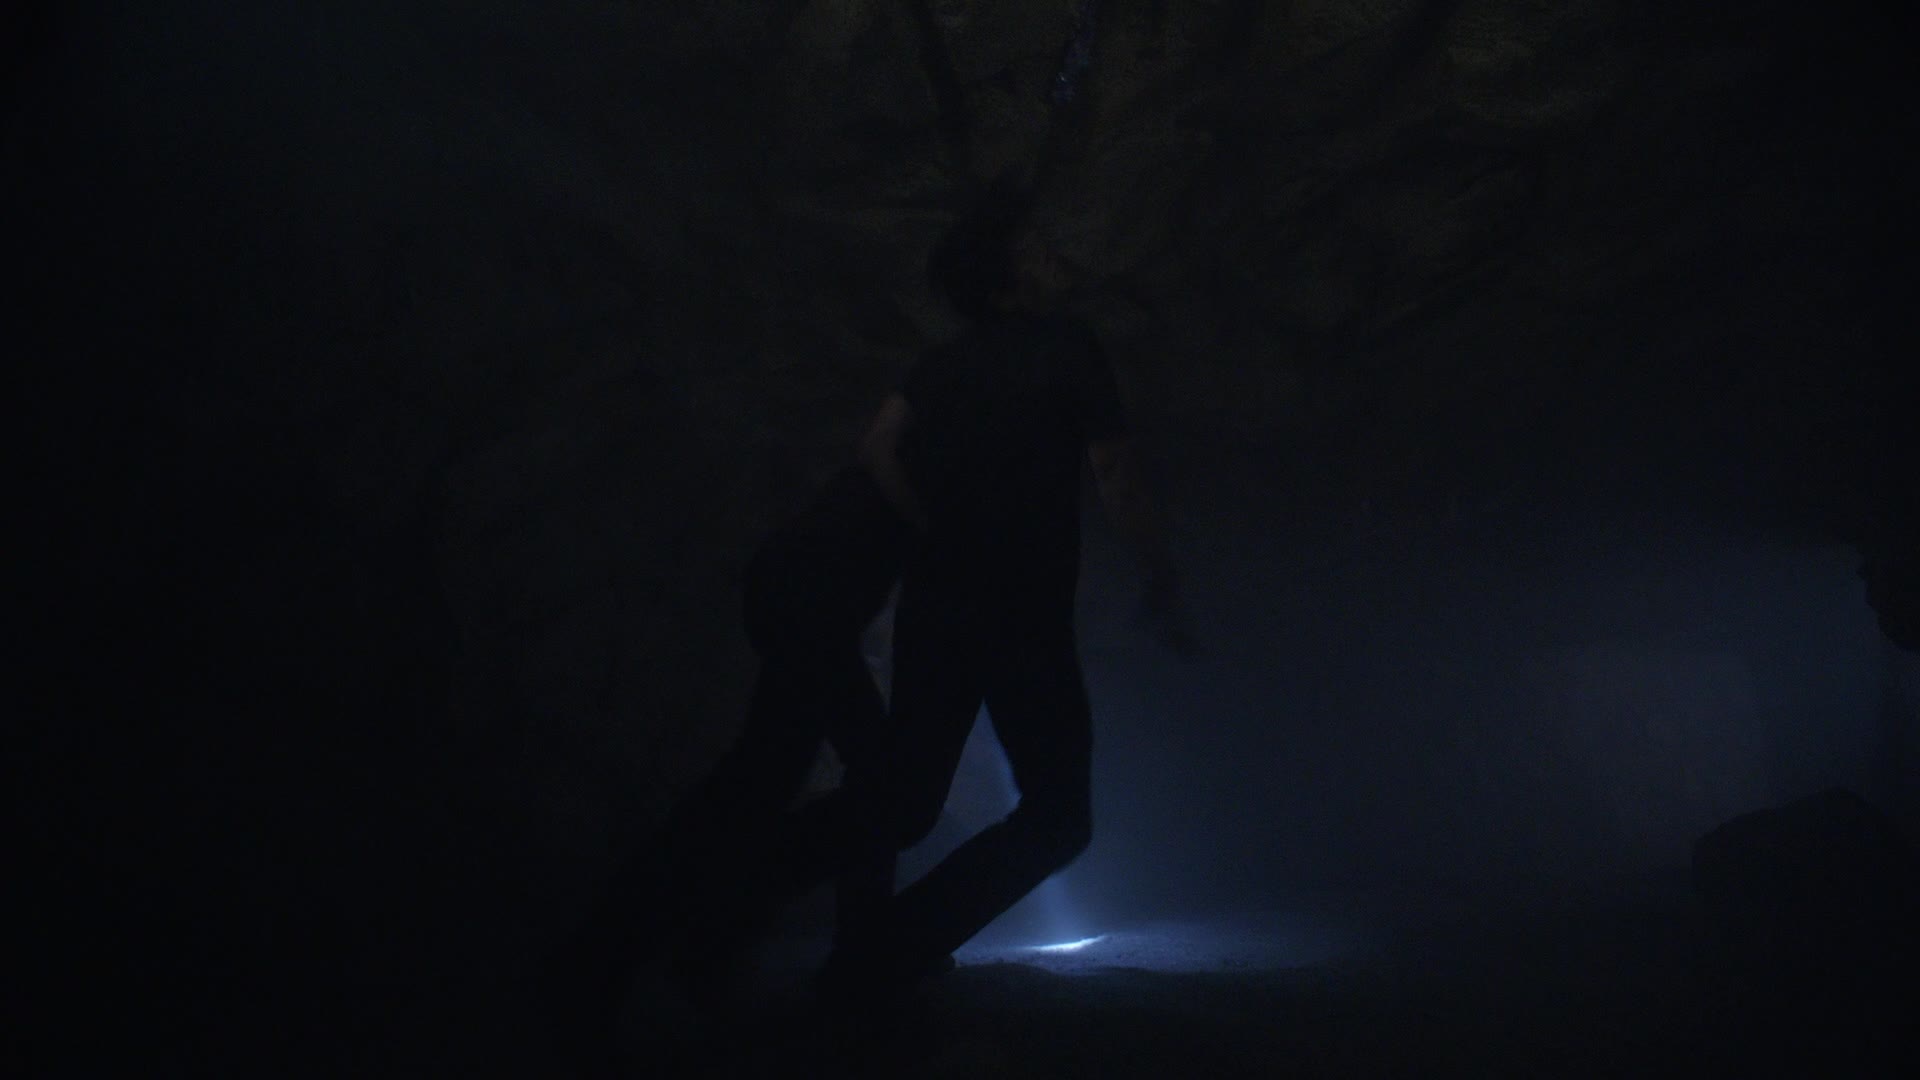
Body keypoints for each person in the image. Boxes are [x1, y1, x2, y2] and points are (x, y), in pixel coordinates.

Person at [762, 181, 1192, 997]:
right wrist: (1160, 572)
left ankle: (737, 886)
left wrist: (926, 521)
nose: (1051, 256)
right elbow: (1113, 471)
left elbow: (877, 447)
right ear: (1006, 278)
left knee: (901, 796)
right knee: (1058, 816)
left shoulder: (942, 364)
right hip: (1022, 612)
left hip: (938, 602)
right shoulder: (1068, 345)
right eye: (1033, 248)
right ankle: (884, 950)